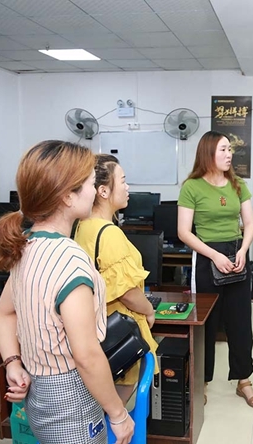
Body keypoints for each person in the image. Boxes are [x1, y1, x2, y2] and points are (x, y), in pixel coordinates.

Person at [0, 141, 134, 444]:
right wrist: (118, 414)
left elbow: (4, 313)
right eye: (91, 184)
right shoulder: (71, 260)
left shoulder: (26, 245)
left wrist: (13, 362)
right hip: (71, 399)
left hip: (38, 393)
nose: (95, 192)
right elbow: (86, 355)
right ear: (68, 196)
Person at [177, 130, 253, 408]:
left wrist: (242, 250)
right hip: (207, 257)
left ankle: (244, 380)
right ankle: (202, 381)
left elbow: (249, 223)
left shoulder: (237, 184)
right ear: (208, 153)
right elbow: (183, 232)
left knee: (240, 322)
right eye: (223, 149)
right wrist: (214, 255)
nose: (229, 154)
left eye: (230, 149)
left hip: (237, 256)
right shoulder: (192, 187)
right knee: (207, 324)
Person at [74, 154, 159, 402]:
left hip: (96, 326)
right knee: (116, 404)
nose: (127, 187)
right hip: (120, 330)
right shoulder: (109, 234)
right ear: (103, 191)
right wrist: (149, 310)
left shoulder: (82, 226)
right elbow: (127, 292)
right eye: (122, 181)